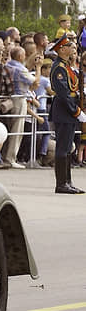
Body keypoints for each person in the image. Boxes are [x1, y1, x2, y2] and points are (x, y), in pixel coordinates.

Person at [49, 36, 86, 193]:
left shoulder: (67, 67)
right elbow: (64, 93)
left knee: (67, 148)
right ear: (62, 49)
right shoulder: (59, 68)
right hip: (64, 111)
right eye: (70, 46)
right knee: (62, 148)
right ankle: (61, 184)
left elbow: (72, 89)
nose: (73, 48)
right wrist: (77, 111)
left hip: (68, 111)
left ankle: (68, 182)